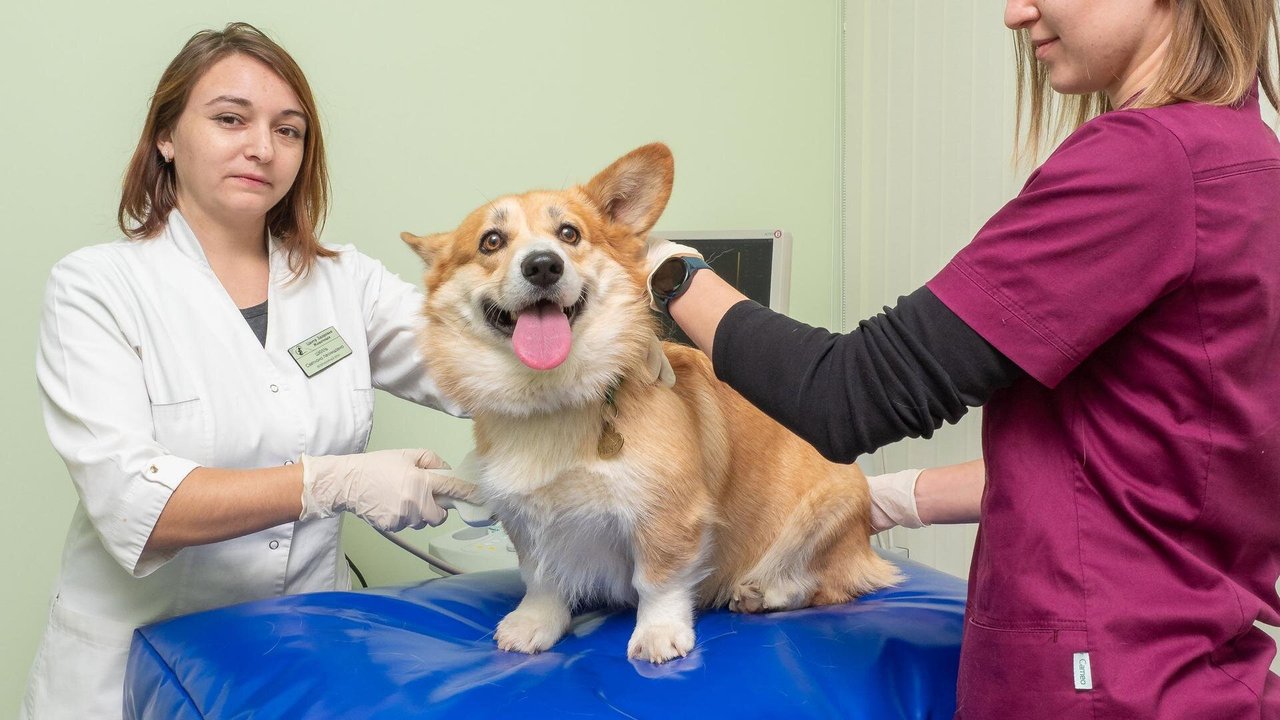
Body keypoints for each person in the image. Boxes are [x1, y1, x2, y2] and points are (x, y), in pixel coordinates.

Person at [648, 0, 1280, 717]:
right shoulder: (1247, 162)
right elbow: (1144, 464)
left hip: (1101, 686)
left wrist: (673, 276)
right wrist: (890, 498)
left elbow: (847, 393)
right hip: (1202, 676)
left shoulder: (1146, 163)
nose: (1016, 12)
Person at [23, 23, 470, 719]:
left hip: (299, 665)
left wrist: (610, 291)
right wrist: (334, 481)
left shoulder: (346, 283)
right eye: (231, 119)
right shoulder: (97, 287)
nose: (262, 147)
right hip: (133, 675)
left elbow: (474, 368)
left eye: (288, 131)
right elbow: (135, 502)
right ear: (166, 136)